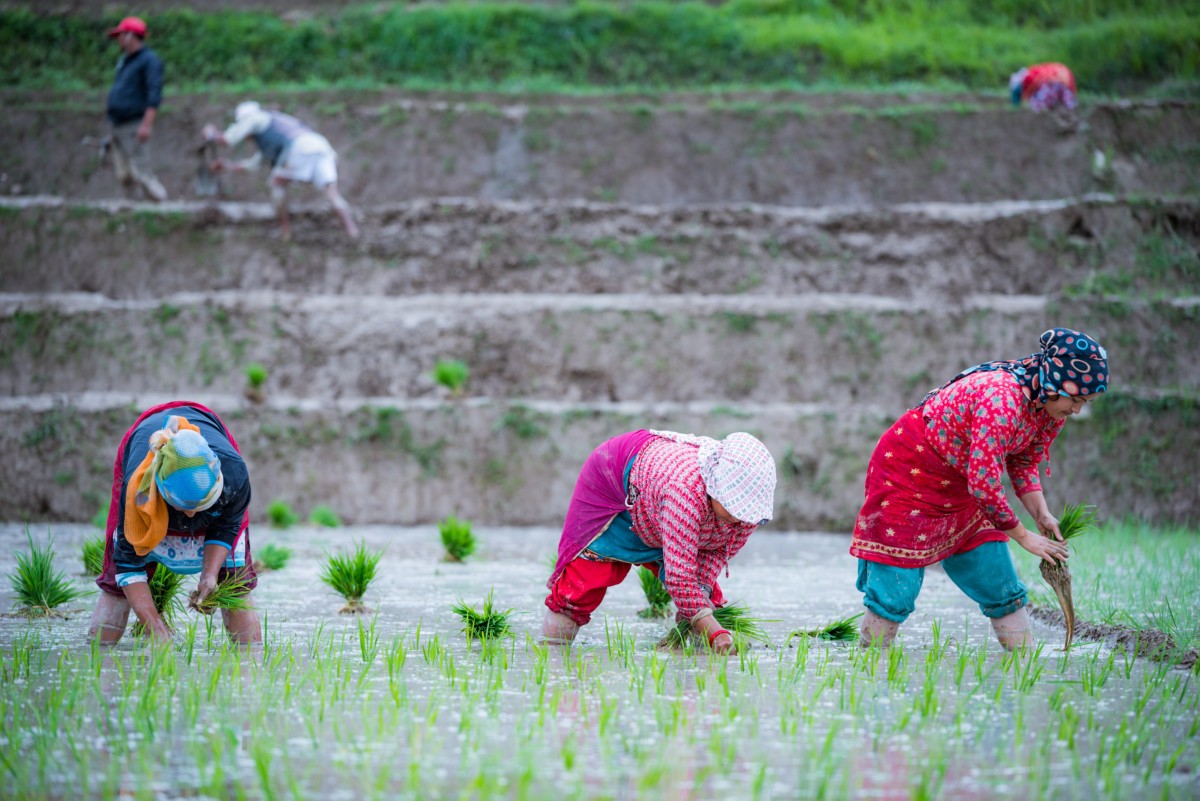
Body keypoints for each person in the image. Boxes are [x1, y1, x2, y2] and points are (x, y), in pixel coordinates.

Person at [850, 328, 1109, 651]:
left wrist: (1041, 515)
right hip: (911, 473)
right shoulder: (1002, 400)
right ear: (1057, 383)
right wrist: (1025, 536)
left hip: (962, 480)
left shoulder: (1049, 407)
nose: (1077, 410)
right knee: (895, 590)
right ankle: (870, 669)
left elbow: (1023, 462)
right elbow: (985, 486)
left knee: (1000, 582)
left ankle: (1024, 671)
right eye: (1077, 400)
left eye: (1086, 402)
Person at [542, 429, 777, 655]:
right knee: (579, 588)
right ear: (714, 487)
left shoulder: (747, 515)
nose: (737, 518)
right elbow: (679, 577)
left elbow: (717, 552)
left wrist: (699, 602)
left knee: (707, 601)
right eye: (732, 505)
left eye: (743, 511)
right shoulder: (684, 492)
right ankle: (553, 655)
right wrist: (715, 632)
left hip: (662, 502)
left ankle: (701, 669)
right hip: (613, 480)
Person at [87, 401, 261, 645]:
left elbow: (228, 525)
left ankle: (250, 660)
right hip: (142, 458)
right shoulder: (140, 490)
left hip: (211, 440)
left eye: (201, 506)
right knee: (117, 585)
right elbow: (128, 564)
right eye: (183, 508)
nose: (191, 518)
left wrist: (209, 575)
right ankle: (100, 661)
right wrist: (155, 627)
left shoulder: (235, 474)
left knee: (235, 583)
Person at [203, 101, 359, 240]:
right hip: (320, 146)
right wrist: (227, 166)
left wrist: (212, 134)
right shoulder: (271, 130)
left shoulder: (256, 118)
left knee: (276, 184)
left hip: (300, 148)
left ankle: (285, 231)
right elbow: (252, 165)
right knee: (331, 193)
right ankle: (352, 231)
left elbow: (228, 139)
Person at [105, 16, 168, 201]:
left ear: (130, 36)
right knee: (124, 174)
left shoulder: (149, 61)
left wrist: (146, 124)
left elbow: (154, 94)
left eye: (120, 35)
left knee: (142, 173)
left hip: (134, 124)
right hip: (118, 124)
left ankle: (163, 205)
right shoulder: (126, 60)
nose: (118, 39)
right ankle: (133, 208)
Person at [1009, 62, 1077, 113]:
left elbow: (1031, 92)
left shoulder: (1028, 78)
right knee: (1068, 106)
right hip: (1065, 78)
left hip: (1051, 82)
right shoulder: (1034, 72)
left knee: (1038, 106)